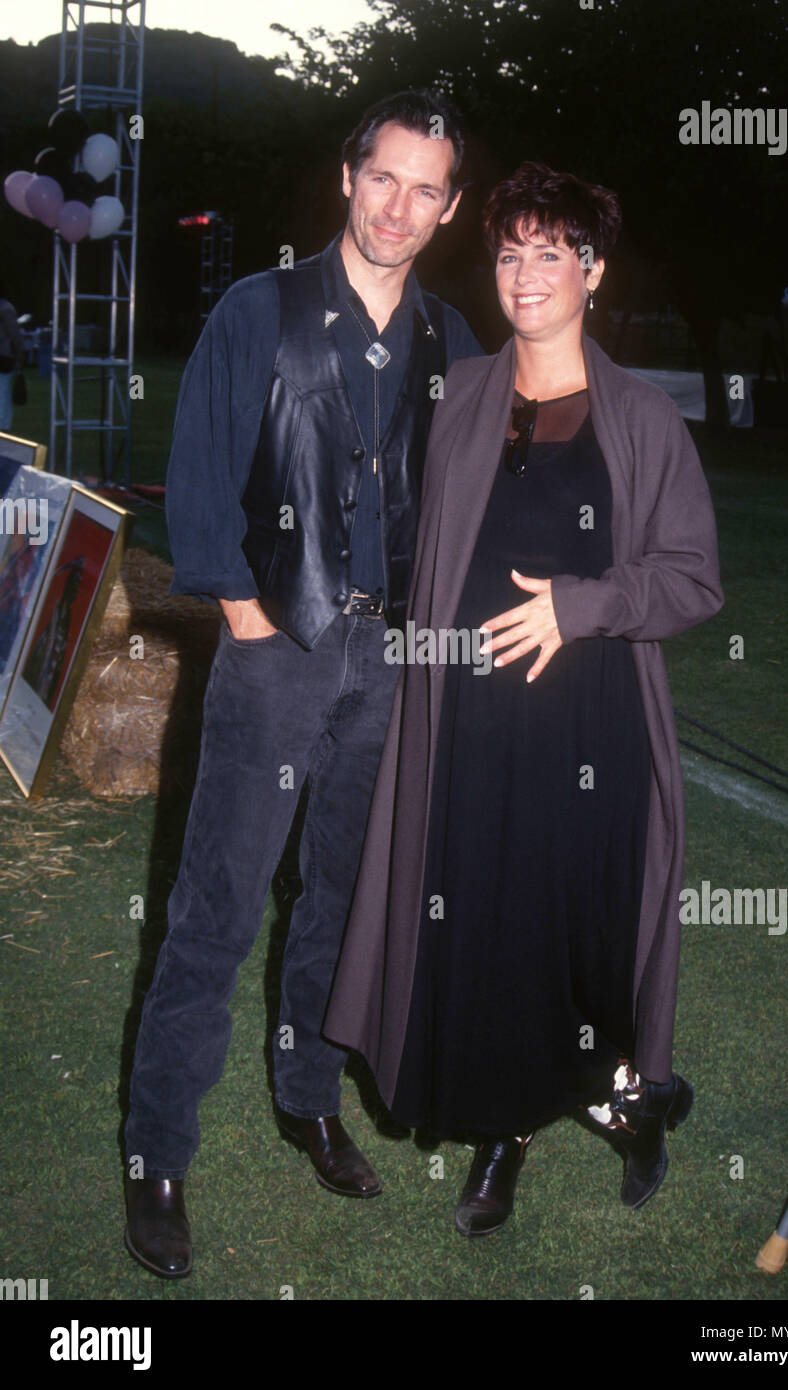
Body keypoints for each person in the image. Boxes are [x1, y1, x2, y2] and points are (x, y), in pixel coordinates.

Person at [324, 163, 724, 1236]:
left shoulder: (640, 416)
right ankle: (503, 1135)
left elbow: (691, 577)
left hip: (588, 731)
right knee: (485, 927)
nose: (525, 271)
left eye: (550, 250)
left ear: (591, 269)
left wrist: (579, 606)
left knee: (577, 936)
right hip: (467, 723)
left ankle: (633, 1103)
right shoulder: (463, 405)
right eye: (508, 251)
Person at [123, 89, 481, 1278]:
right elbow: (201, 474)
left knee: (340, 899)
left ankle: (306, 1096)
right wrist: (246, 618)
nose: (400, 205)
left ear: (450, 206)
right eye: (384, 176)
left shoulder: (450, 344)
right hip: (277, 653)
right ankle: (157, 1155)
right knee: (217, 906)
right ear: (348, 176)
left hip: (390, 666)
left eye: (426, 188)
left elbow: (473, 505)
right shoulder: (259, 309)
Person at [0, 290, 24, 432]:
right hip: (4, 355)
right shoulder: (6, 308)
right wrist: (20, 353)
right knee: (4, 392)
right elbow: (14, 334)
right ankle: (3, 427)